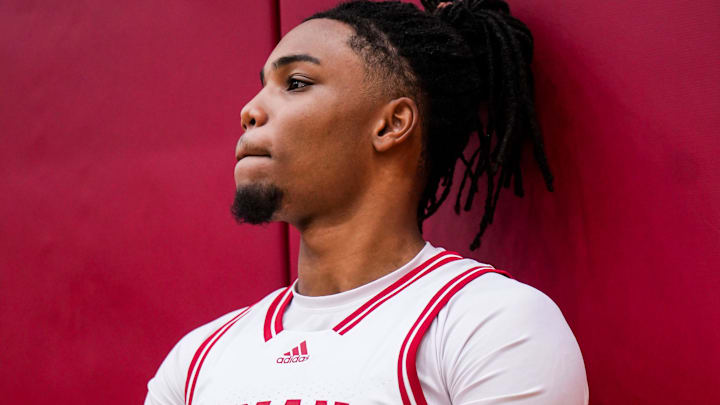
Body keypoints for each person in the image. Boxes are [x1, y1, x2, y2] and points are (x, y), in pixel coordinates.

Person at [145, 0, 589, 404]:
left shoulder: (490, 324)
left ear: (391, 124)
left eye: (295, 83)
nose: (250, 110)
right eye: (262, 86)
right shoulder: (196, 361)